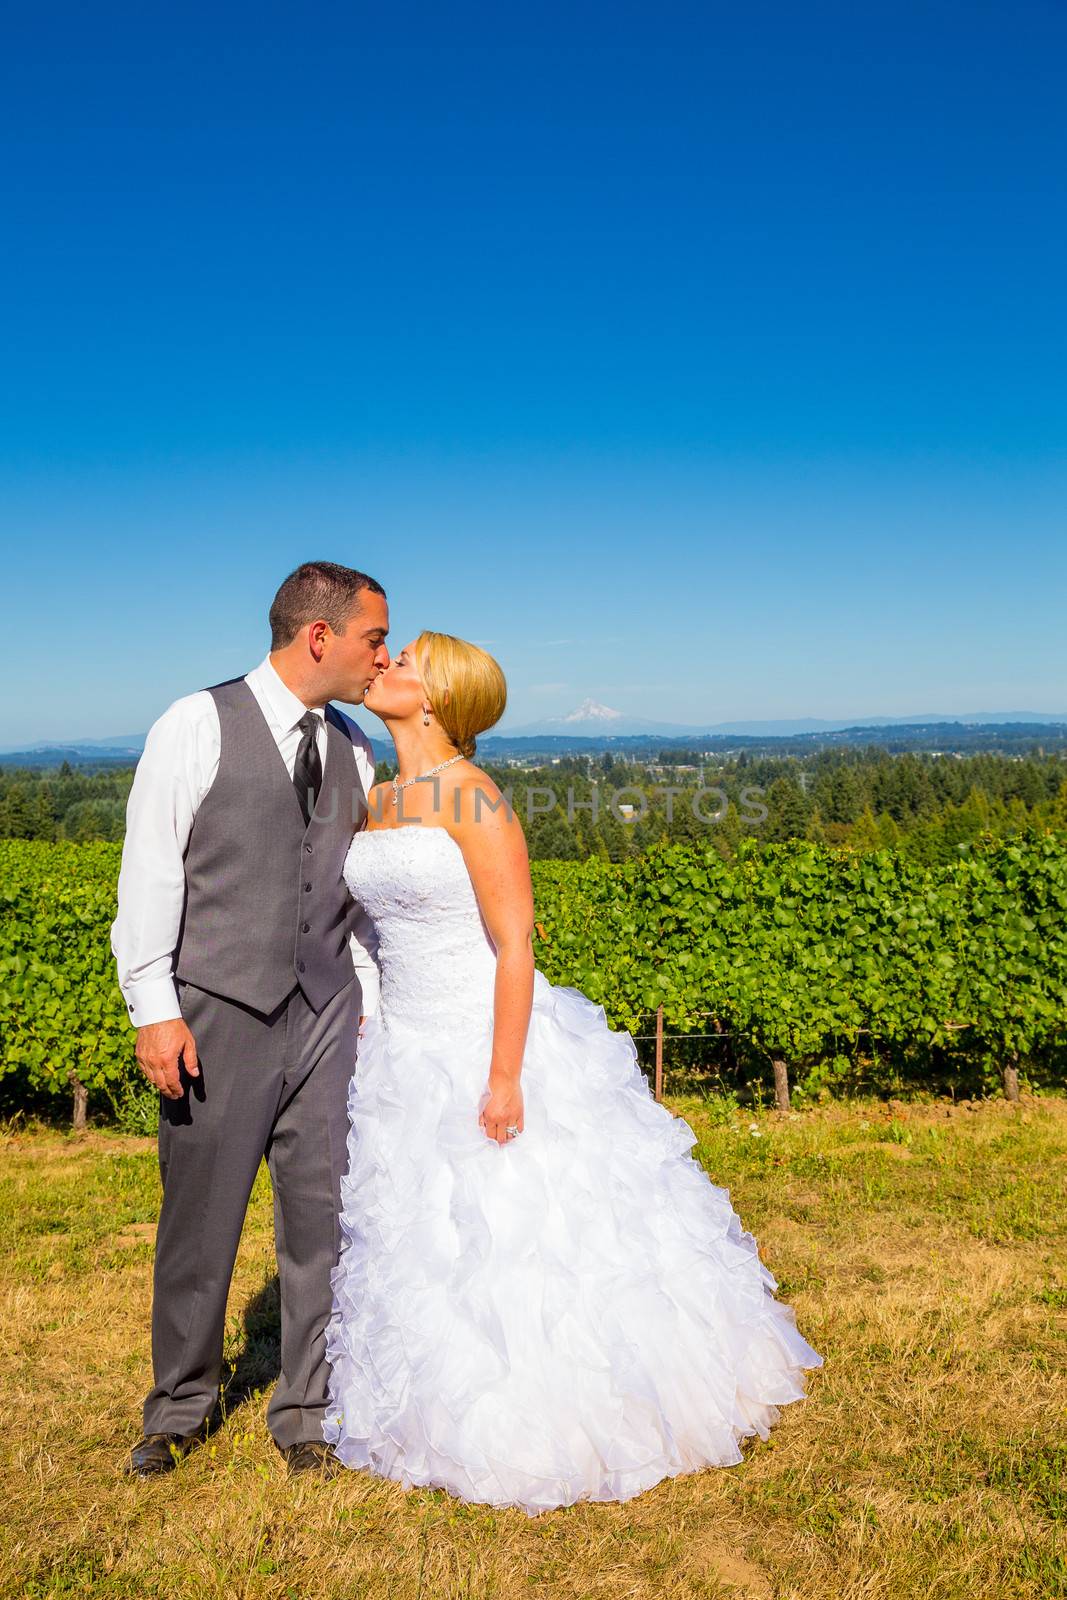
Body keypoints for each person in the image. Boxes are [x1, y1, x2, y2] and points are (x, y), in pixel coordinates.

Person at [322, 631, 823, 1514]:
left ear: (435, 696)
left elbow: (515, 945)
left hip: (485, 1036)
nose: (386, 666)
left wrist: (505, 1074)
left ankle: (556, 1418)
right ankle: (428, 1405)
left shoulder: (472, 798)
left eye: (405, 663)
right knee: (424, 1232)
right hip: (404, 1045)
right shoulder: (381, 795)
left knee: (522, 1234)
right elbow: (371, 927)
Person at [110, 560, 390, 1477]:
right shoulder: (196, 724)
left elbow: (346, 894)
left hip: (326, 1016)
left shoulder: (354, 746)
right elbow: (149, 874)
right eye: (372, 639)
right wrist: (156, 1011)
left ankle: (305, 1410)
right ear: (320, 636)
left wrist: (366, 1012)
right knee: (202, 1218)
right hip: (218, 1011)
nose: (379, 658)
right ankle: (180, 1405)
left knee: (321, 1218)